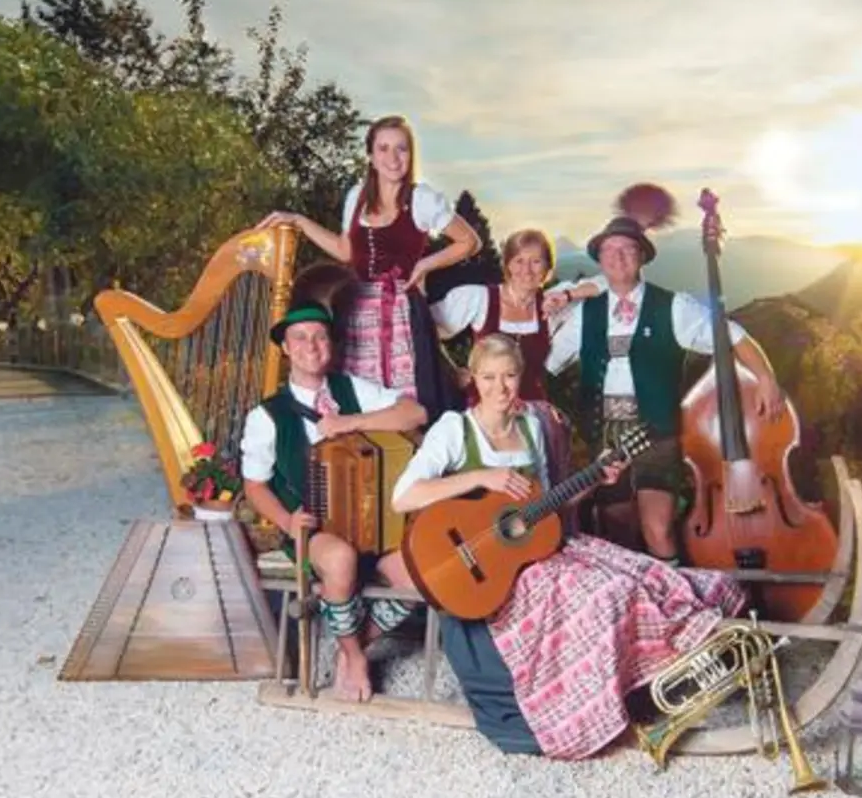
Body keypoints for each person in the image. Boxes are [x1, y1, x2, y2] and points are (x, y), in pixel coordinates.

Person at [391, 333, 747, 760]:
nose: (499, 388)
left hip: (536, 550)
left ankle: (664, 680)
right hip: (490, 568)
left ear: (521, 376)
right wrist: (479, 478)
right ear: (474, 379)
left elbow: (543, 510)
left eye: (509, 376)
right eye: (488, 378)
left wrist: (596, 478)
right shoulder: (455, 429)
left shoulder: (530, 428)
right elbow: (403, 496)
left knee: (646, 576)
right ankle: (587, 712)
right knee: (605, 595)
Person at [544, 210, 786, 568]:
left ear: (642, 256)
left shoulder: (674, 307)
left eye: (627, 249)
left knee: (657, 527)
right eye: (609, 251)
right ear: (600, 260)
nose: (618, 257)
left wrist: (766, 378)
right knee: (616, 529)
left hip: (656, 430)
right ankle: (638, 611)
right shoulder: (585, 314)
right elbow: (547, 366)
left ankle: (676, 604)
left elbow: (732, 336)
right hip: (602, 434)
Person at [239, 301, 428, 702]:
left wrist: (350, 422)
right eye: (301, 337)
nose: (312, 345)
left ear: (331, 344)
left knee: (420, 575)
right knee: (340, 559)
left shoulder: (352, 389)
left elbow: (415, 413)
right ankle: (355, 657)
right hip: (313, 528)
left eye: (321, 336)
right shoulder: (267, 415)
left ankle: (355, 640)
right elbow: (254, 485)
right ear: (286, 348)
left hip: (373, 523)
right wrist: (287, 522)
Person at [252, 115, 479, 421]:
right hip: (356, 309)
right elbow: (346, 251)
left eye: (402, 149)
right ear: (371, 156)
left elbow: (469, 241)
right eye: (383, 149)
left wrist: (425, 264)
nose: (393, 158)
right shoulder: (357, 197)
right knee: (356, 392)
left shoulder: (422, 199)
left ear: (411, 155)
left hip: (401, 311)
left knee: (408, 396)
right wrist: (300, 222)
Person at [428, 228, 604, 477]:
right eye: (519, 261)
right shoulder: (480, 299)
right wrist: (451, 370)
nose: (527, 270)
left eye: (536, 261)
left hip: (533, 417)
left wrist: (568, 294)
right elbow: (425, 329)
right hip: (483, 414)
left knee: (542, 492)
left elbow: (609, 284)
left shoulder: (553, 304)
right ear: (508, 265)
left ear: (547, 268)